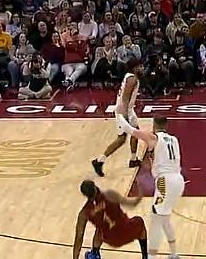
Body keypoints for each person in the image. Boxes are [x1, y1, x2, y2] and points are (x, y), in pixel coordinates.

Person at [119, 116, 184, 259]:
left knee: (156, 218)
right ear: (166, 126)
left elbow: (129, 129)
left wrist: (118, 115)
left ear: (154, 126)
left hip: (165, 181)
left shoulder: (153, 138)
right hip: (179, 180)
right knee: (164, 218)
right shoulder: (174, 139)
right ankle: (174, 254)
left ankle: (151, 256)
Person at [92, 58, 145, 176]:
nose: (142, 68)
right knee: (121, 139)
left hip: (127, 109)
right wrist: (125, 115)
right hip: (123, 111)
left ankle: (133, 159)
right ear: (135, 68)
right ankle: (99, 161)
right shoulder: (132, 79)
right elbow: (125, 98)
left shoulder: (130, 76)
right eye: (140, 66)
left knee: (136, 133)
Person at [72, 180, 147, 259]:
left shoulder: (84, 213)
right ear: (95, 187)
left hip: (111, 240)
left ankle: (95, 254)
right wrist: (141, 192)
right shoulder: (110, 195)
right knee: (139, 221)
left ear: (85, 195)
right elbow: (133, 204)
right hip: (127, 231)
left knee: (100, 229)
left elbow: (79, 238)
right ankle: (145, 256)